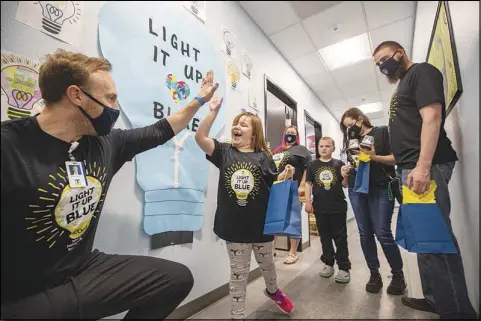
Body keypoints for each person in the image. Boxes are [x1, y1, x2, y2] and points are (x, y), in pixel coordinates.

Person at [1, 49, 221, 319]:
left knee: (175, 279)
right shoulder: (9, 146)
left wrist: (200, 99)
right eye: (110, 98)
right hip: (22, 292)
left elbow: (162, 129)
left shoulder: (105, 143)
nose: (115, 108)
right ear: (76, 95)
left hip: (81, 271)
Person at [373, 41, 477, 319]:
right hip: (408, 168)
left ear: (400, 54)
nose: (383, 66)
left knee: (435, 242)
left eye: (385, 59)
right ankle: (434, 299)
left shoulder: (422, 72)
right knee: (423, 240)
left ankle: (457, 312)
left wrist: (422, 166)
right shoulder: (403, 84)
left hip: (423, 168)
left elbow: (432, 117)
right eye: (378, 64)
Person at [195, 101, 295, 319]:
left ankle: (273, 291)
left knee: (268, 266)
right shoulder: (224, 151)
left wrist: (286, 173)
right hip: (234, 228)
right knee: (238, 275)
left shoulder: (264, 157)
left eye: (244, 125)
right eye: (236, 124)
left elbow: (274, 182)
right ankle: (237, 316)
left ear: (254, 133)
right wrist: (213, 112)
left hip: (261, 226)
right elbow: (200, 138)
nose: (237, 127)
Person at [340, 107, 406, 295]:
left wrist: (374, 156)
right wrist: (345, 171)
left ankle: (398, 275)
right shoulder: (351, 140)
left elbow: (396, 159)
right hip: (356, 188)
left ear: (360, 119)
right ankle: (374, 274)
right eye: (346, 128)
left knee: (383, 232)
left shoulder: (383, 132)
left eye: (352, 124)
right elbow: (353, 164)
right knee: (365, 233)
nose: (350, 129)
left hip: (380, 187)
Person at [304, 137, 351, 283]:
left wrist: (345, 176)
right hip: (320, 207)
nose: (324, 149)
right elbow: (308, 184)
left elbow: (345, 185)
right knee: (324, 238)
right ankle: (328, 263)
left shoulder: (339, 164)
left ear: (333, 148)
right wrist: (307, 201)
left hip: (337, 207)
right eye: (321, 146)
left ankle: (344, 268)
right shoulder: (312, 165)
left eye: (327, 146)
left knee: (340, 238)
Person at [271, 125, 311, 264]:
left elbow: (308, 168)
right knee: (275, 219)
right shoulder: (277, 150)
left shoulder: (302, 149)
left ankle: (293, 252)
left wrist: (302, 185)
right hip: (278, 188)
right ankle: (272, 249)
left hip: (294, 188)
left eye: (293, 133)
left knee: (292, 219)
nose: (290, 134)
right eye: (287, 132)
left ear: (297, 135)